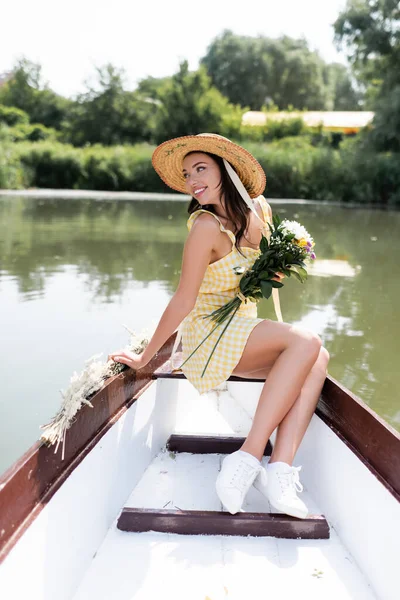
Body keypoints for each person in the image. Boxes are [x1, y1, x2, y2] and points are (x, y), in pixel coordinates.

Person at [108, 133, 330, 520]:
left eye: (200, 169)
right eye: (187, 173)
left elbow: (261, 280)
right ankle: (246, 457)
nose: (192, 180)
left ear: (226, 171)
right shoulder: (205, 228)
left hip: (241, 327)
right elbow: (184, 300)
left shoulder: (260, 211)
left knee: (318, 355)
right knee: (307, 341)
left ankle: (278, 469)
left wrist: (274, 271)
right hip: (208, 336)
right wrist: (146, 358)